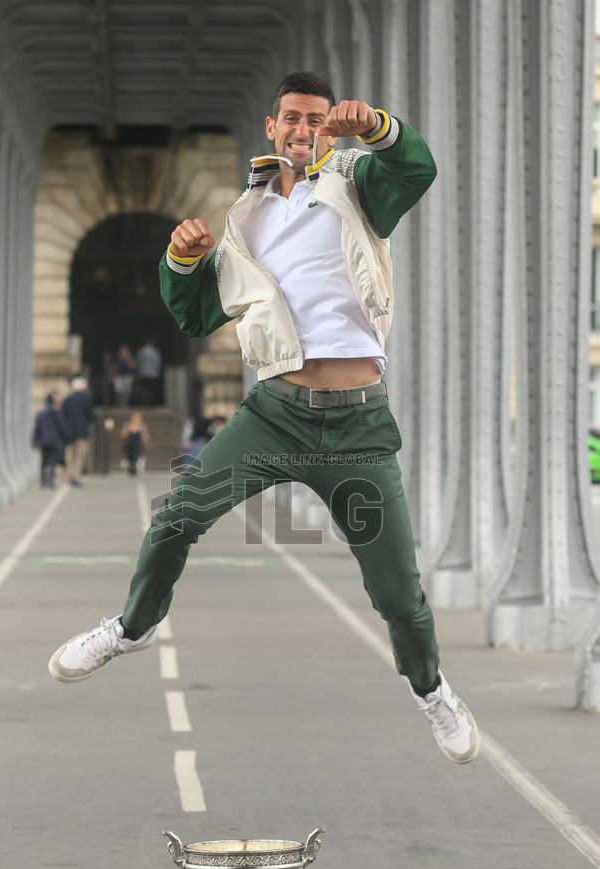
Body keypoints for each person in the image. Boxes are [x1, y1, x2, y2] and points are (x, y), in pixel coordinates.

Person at [48, 72, 479, 765]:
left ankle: (432, 692)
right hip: (274, 416)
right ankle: (131, 628)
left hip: (357, 429)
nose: (304, 129)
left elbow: (416, 167)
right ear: (271, 129)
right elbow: (193, 314)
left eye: (316, 119)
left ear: (325, 130)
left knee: (398, 595)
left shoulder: (357, 189)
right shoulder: (246, 222)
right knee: (175, 517)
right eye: (292, 119)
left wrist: (373, 125)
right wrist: (181, 260)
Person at [60, 376, 94, 487]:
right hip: (82, 432)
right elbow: (91, 416)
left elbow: (62, 416)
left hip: (68, 433)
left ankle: (70, 475)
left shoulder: (67, 400)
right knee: (80, 455)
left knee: (69, 455)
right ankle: (76, 476)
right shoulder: (86, 400)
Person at [32, 390, 68, 488]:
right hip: (54, 441)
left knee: (44, 461)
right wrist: (65, 438)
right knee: (52, 461)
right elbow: (61, 427)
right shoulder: (56, 413)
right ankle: (51, 480)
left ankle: (43, 481)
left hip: (43, 441)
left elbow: (36, 429)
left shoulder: (40, 414)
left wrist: (34, 441)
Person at [120, 411, 152, 476]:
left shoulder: (142, 425)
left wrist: (147, 443)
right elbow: (123, 435)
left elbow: (145, 435)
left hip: (137, 444)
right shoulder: (127, 424)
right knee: (129, 457)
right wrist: (127, 430)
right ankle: (129, 469)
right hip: (129, 443)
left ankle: (134, 470)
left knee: (136, 457)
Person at [135, 338, 162, 406]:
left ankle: (144, 403)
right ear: (152, 344)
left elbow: (137, 362)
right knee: (151, 390)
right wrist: (157, 372)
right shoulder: (155, 352)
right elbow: (158, 363)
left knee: (144, 390)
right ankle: (150, 404)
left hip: (142, 374)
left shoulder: (140, 351)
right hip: (152, 374)